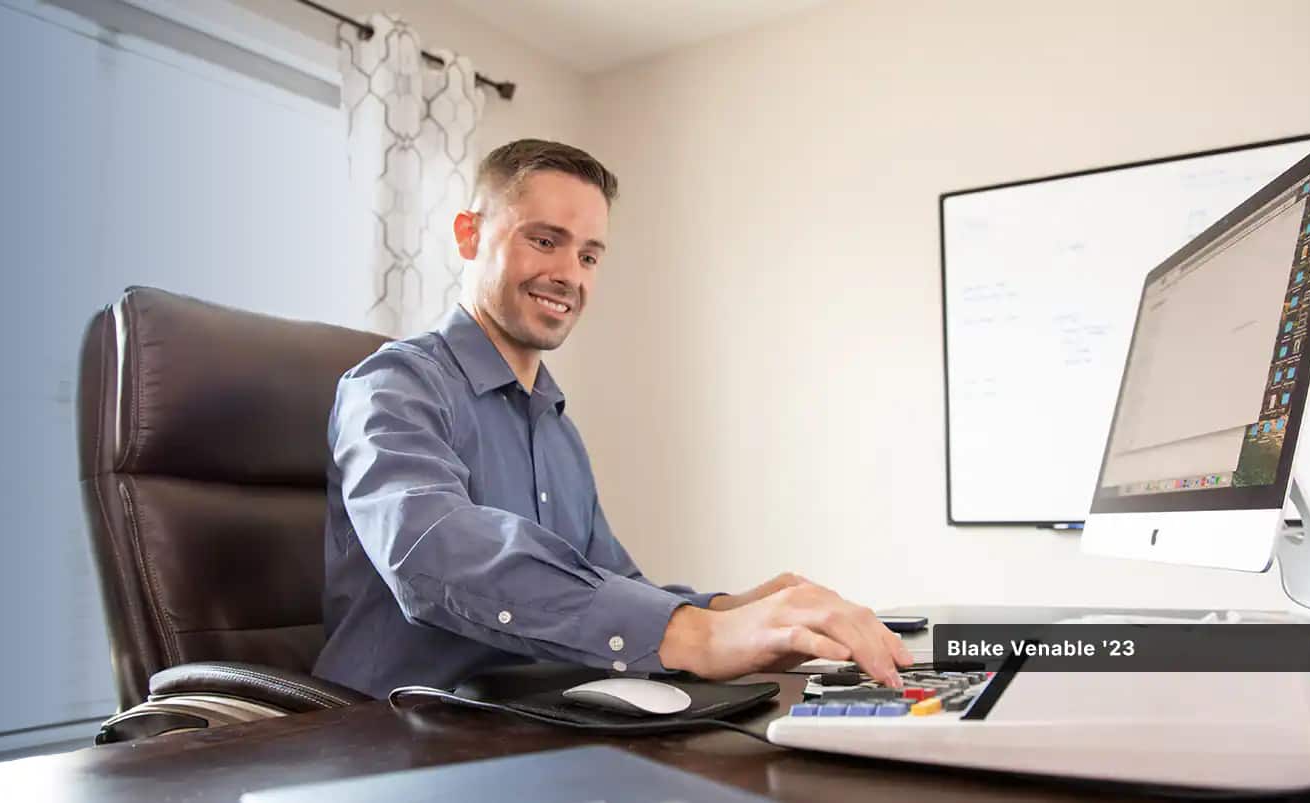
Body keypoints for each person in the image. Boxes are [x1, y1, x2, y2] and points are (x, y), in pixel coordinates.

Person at [312, 139, 910, 697]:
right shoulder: (393, 385)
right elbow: (431, 550)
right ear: (469, 235)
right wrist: (700, 637)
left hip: (540, 721)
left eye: (589, 254)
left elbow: (610, 585)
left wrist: (736, 611)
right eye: (545, 241)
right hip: (396, 734)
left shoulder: (556, 427)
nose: (570, 274)